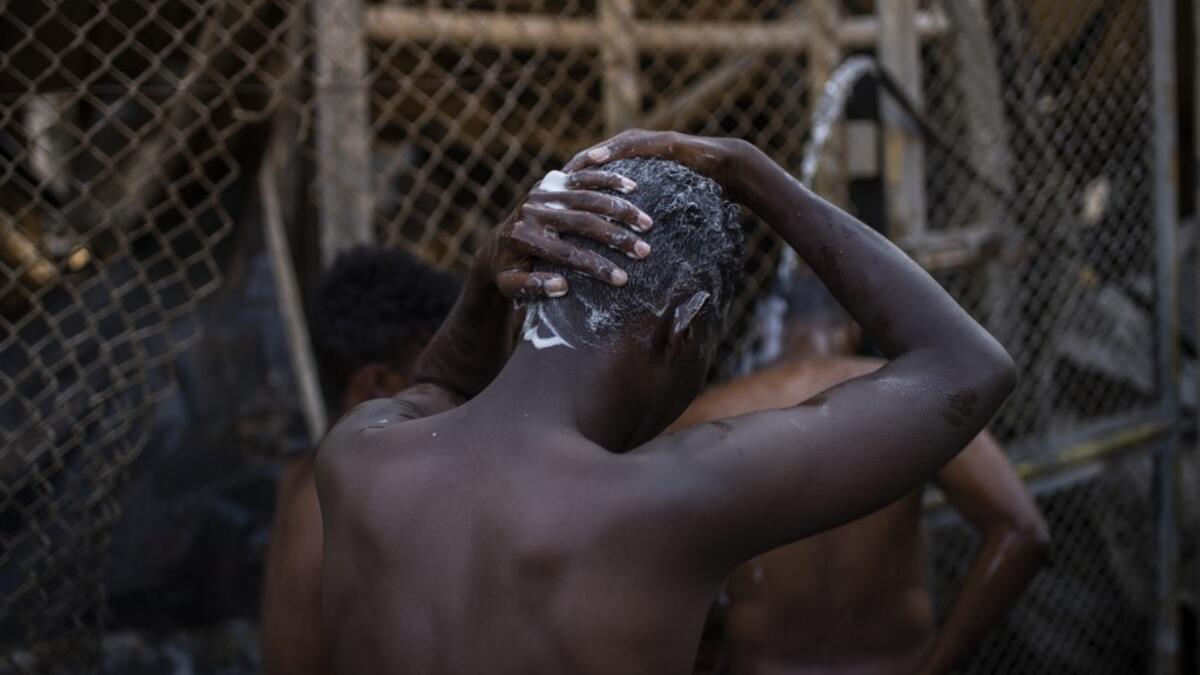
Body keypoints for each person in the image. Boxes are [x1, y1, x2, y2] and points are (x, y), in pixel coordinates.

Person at [315, 131, 1017, 675]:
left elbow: (441, 388)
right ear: (686, 327)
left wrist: (482, 279)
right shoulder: (666, 503)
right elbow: (967, 365)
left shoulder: (358, 453)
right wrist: (750, 171)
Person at [674, 272, 1050, 675]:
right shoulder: (921, 397)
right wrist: (940, 663)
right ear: (852, 329)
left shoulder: (709, 415)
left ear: (767, 330)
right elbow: (1023, 533)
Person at [260, 246, 460, 675]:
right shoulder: (362, 506)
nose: (456, 407)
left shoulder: (298, 477)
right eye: (439, 385)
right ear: (376, 387)